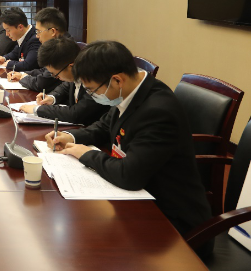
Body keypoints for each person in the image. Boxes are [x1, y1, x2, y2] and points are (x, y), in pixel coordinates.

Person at [46, 41, 212, 252]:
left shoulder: (158, 111)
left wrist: (86, 154)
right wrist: (70, 137)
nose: (91, 96)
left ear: (117, 80)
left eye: (92, 90)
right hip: (140, 197)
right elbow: (104, 126)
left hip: (171, 223)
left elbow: (129, 175)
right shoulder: (131, 91)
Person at [18, 37, 105, 126]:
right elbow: (65, 86)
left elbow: (75, 114)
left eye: (55, 74)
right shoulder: (74, 74)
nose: (55, 77)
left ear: (71, 66)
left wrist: (37, 109)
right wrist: (52, 98)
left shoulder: (94, 81)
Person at [8, 7, 70, 94]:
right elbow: (44, 71)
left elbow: (42, 83)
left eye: (39, 32)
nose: (37, 36)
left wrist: (23, 77)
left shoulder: (64, 49)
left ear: (53, 31)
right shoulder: (57, 45)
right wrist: (23, 74)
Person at [0, 7, 40, 72]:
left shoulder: (36, 39)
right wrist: (4, 58)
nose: (7, 34)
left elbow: (28, 65)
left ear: (20, 27)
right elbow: (15, 53)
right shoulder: (23, 35)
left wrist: (9, 63)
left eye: (8, 30)